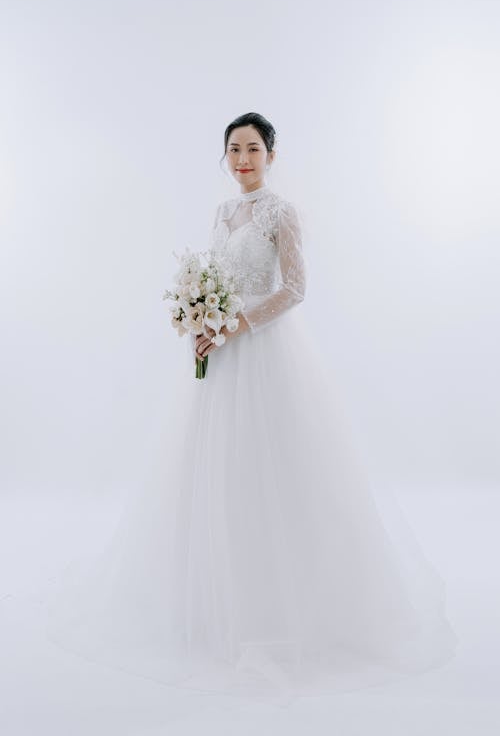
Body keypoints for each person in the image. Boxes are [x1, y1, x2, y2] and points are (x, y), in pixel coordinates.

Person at [44, 112, 458, 706]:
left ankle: (281, 608)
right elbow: (214, 273)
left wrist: (234, 324)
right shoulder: (220, 213)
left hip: (265, 356)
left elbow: (295, 287)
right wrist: (197, 318)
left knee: (272, 473)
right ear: (225, 156)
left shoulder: (279, 212)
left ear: (271, 155)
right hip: (221, 358)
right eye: (234, 149)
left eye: (253, 149)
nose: (243, 159)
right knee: (211, 472)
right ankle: (210, 608)